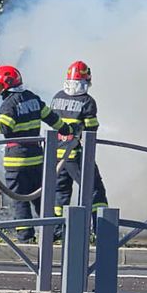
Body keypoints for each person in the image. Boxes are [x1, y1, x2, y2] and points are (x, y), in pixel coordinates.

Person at [0, 65, 68, 243]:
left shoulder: (9, 104)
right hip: (36, 157)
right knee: (39, 197)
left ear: (6, 84)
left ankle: (25, 235)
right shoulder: (33, 98)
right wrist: (68, 129)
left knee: (19, 198)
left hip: (16, 160)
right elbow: (52, 118)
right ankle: (52, 230)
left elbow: (4, 127)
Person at [49, 61, 109, 236]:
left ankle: (57, 231)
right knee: (94, 190)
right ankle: (101, 231)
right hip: (75, 155)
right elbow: (91, 129)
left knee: (60, 193)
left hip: (57, 155)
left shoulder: (57, 97)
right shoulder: (87, 101)